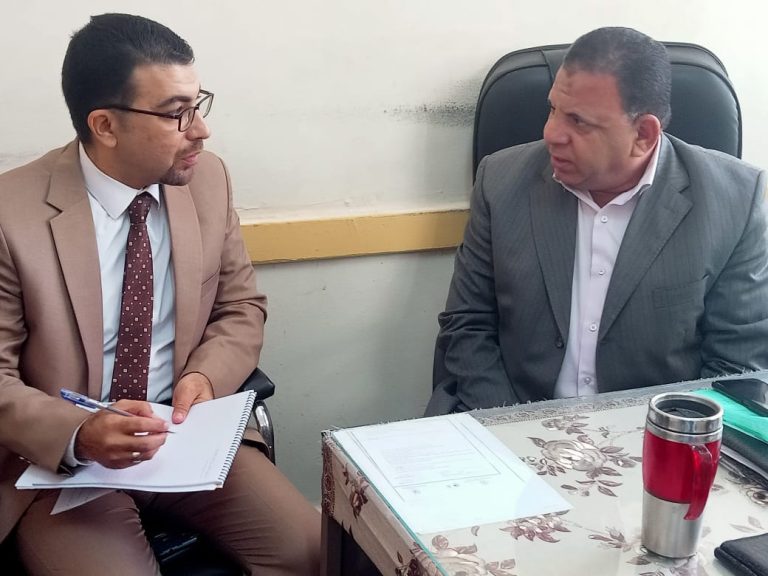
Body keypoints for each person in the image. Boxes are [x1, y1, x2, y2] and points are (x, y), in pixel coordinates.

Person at [0, 13, 320, 575]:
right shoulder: (11, 215)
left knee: (316, 551)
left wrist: (205, 378)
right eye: (177, 113)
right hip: (64, 464)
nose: (201, 130)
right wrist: (80, 434)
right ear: (105, 125)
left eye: (199, 104)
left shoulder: (208, 180)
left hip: (186, 436)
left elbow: (240, 307)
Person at [427, 26, 768, 416]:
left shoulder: (734, 202)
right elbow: (467, 326)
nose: (552, 134)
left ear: (643, 134)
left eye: (579, 121)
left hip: (654, 431)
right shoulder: (500, 181)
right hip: (509, 415)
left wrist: (661, 441)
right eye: (553, 109)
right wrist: (513, 426)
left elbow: (736, 367)